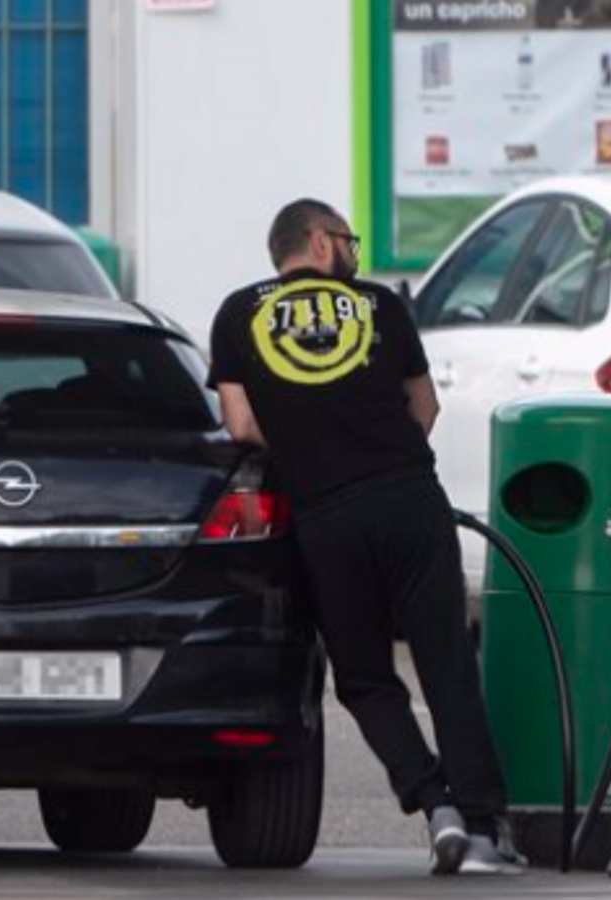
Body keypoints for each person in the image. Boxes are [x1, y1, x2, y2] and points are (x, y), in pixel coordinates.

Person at [208, 199, 524, 876]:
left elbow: (240, 425)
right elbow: (425, 406)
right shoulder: (381, 305)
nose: (352, 252)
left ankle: (434, 805)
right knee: (445, 662)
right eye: (347, 240)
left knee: (364, 678)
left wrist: (310, 447)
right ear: (320, 242)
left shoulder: (236, 314)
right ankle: (483, 832)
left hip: (324, 518)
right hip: (408, 498)